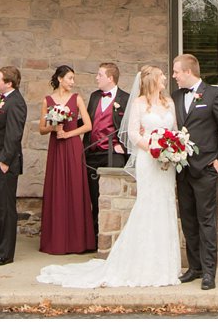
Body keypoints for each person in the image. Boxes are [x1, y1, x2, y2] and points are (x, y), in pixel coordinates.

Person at [38, 64, 182, 288]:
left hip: (165, 163)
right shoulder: (132, 102)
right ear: (153, 80)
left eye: (100, 74)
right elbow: (132, 132)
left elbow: (173, 130)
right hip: (146, 157)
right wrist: (153, 148)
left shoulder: (168, 102)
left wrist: (171, 148)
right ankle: (140, 261)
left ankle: (165, 265)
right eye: (163, 76)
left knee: (165, 206)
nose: (166, 79)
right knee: (146, 205)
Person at [173, 53, 218, 291]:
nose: (174, 76)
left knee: (206, 221)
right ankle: (195, 267)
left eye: (177, 71)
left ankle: (209, 272)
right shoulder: (176, 96)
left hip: (206, 168)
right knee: (188, 221)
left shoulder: (213, 94)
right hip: (183, 169)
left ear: (188, 72)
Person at [38, 65, 96, 254]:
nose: (73, 82)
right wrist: (54, 129)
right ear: (60, 79)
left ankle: (78, 241)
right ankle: (57, 239)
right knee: (57, 189)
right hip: (56, 148)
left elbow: (88, 125)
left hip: (72, 146)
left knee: (75, 188)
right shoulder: (47, 100)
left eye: (73, 78)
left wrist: (69, 134)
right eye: (70, 78)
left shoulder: (77, 98)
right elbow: (41, 129)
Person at [0, 66, 27, 266]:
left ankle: (5, 253)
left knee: (5, 208)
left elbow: (14, 134)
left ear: (9, 83)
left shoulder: (16, 102)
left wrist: (5, 161)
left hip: (3, 163)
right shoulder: (3, 100)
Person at [83, 62, 130, 234]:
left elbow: (130, 126)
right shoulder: (95, 96)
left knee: (113, 196)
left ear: (110, 78)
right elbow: (88, 121)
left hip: (112, 153)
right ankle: (96, 235)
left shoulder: (125, 99)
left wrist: (121, 146)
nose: (96, 78)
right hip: (92, 152)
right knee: (94, 196)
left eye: (100, 75)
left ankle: (113, 233)